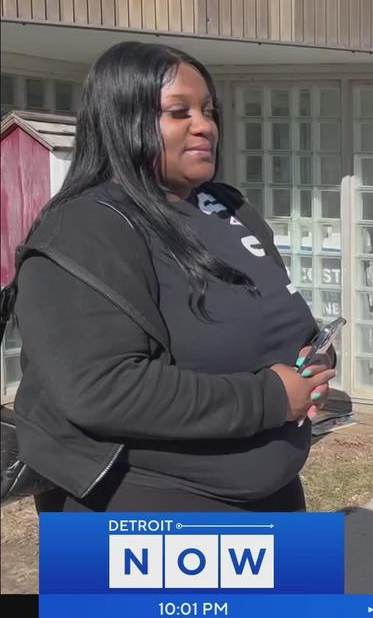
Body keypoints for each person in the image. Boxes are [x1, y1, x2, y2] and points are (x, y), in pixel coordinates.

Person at [12, 41, 336, 513]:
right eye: (178, 112)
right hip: (146, 511)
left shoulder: (228, 207)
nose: (204, 125)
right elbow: (100, 389)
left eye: (207, 110)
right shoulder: (84, 228)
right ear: (124, 120)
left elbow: (279, 317)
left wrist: (317, 358)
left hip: (272, 495)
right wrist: (267, 398)